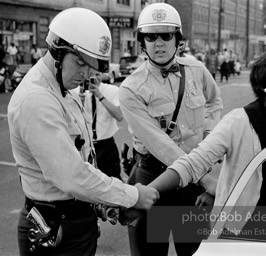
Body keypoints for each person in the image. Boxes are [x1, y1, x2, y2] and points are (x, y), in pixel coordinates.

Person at [7, 7, 159, 256]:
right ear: (57, 51)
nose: (85, 74)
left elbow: (82, 159)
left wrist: (102, 204)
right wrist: (131, 195)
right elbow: (71, 175)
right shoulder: (38, 99)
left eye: (91, 67)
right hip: (53, 227)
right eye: (79, 63)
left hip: (72, 220)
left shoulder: (62, 87)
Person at [148, 44, 266, 243]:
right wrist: (147, 192)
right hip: (238, 233)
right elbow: (192, 163)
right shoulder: (239, 121)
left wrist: (219, 191)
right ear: (264, 83)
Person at [118, 3, 223, 256]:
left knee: (195, 251)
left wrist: (209, 136)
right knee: (151, 253)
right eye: (151, 37)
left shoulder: (196, 71)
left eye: (167, 35)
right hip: (154, 180)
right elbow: (159, 145)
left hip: (192, 185)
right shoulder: (131, 88)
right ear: (142, 43)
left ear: (179, 39)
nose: (159, 43)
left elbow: (214, 101)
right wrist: (205, 177)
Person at [73, 71, 123, 180]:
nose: (94, 78)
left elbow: (119, 116)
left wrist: (100, 95)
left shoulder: (112, 90)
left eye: (97, 75)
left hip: (106, 145)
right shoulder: (75, 91)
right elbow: (71, 121)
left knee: (113, 181)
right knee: (86, 183)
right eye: (90, 75)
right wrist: (79, 101)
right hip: (84, 146)